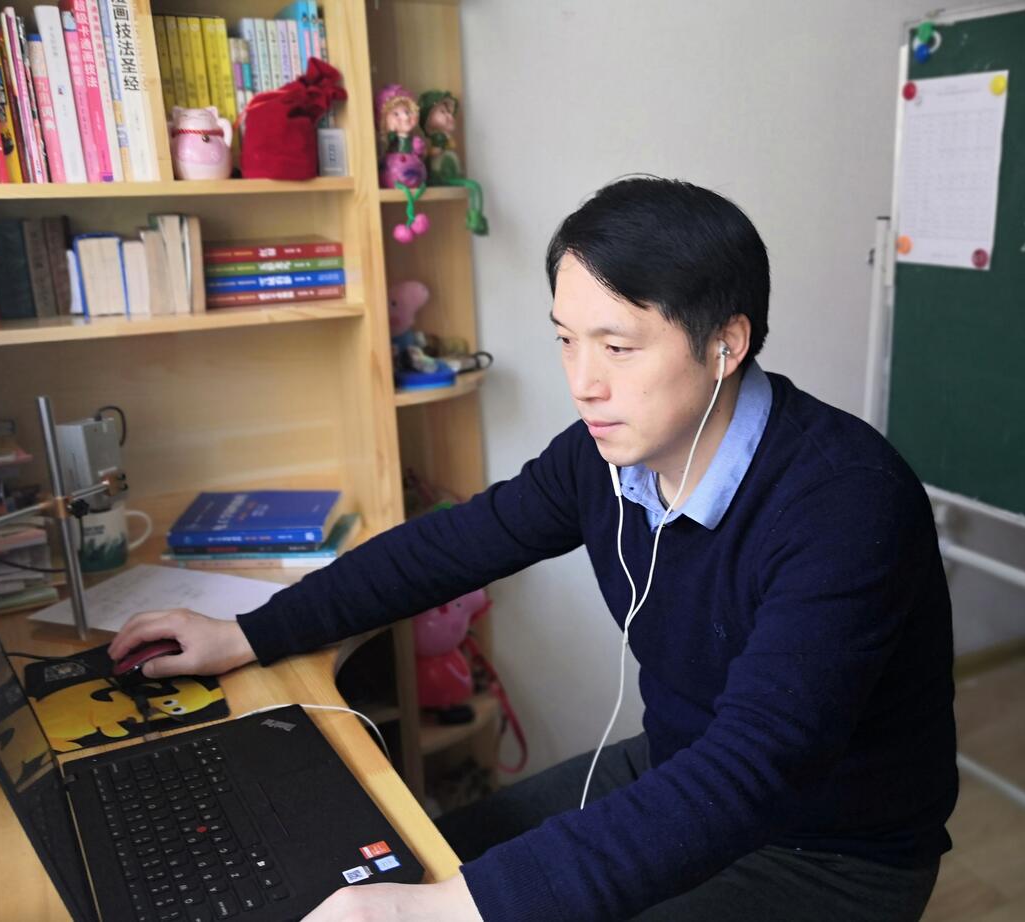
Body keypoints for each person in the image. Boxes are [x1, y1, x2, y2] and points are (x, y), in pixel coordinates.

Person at [109, 176, 958, 922]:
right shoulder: (604, 455)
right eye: (564, 339)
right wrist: (250, 632)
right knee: (416, 861)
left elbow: (754, 768)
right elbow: (448, 547)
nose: (582, 382)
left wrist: (464, 909)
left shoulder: (844, 501)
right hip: (679, 768)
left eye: (616, 347)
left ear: (724, 345)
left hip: (829, 852)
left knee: (462, 896)